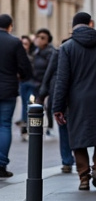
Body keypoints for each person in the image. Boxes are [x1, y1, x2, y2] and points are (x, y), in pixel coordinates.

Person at [51, 13, 96, 191]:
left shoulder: (67, 47)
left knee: (77, 137)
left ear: (73, 26)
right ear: (91, 23)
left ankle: (84, 177)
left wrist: (57, 106)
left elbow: (62, 80)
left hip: (76, 98)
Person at [0, 15, 33, 178]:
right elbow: (25, 67)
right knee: (5, 125)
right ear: (10, 26)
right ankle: (1, 164)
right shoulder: (14, 42)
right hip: (8, 89)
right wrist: (20, 75)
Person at [37, 37, 75, 173]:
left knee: (64, 128)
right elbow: (48, 74)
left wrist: (42, 94)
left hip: (60, 95)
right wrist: (42, 94)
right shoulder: (71, 52)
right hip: (69, 96)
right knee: (67, 127)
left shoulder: (59, 51)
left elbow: (48, 75)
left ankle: (67, 160)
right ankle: (69, 159)